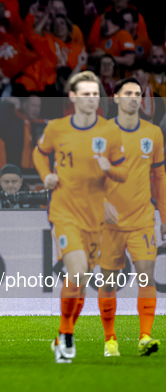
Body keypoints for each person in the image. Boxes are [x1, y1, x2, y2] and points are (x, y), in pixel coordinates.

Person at [32, 71, 127, 363]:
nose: (91, 98)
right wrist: (46, 175)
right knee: (77, 270)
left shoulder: (109, 132)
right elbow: (39, 152)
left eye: (95, 93)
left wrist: (108, 168)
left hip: (95, 214)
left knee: (82, 279)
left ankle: (62, 333)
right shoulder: (57, 128)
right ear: (73, 97)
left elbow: (123, 172)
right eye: (85, 94)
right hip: (64, 211)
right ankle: (67, 336)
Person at [97, 77, 165, 357]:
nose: (134, 98)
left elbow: (160, 177)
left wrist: (164, 216)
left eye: (138, 94)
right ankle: (110, 339)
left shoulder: (153, 134)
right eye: (128, 93)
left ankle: (145, 337)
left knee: (145, 275)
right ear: (116, 98)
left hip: (142, 220)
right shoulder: (101, 133)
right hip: (109, 223)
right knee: (109, 280)